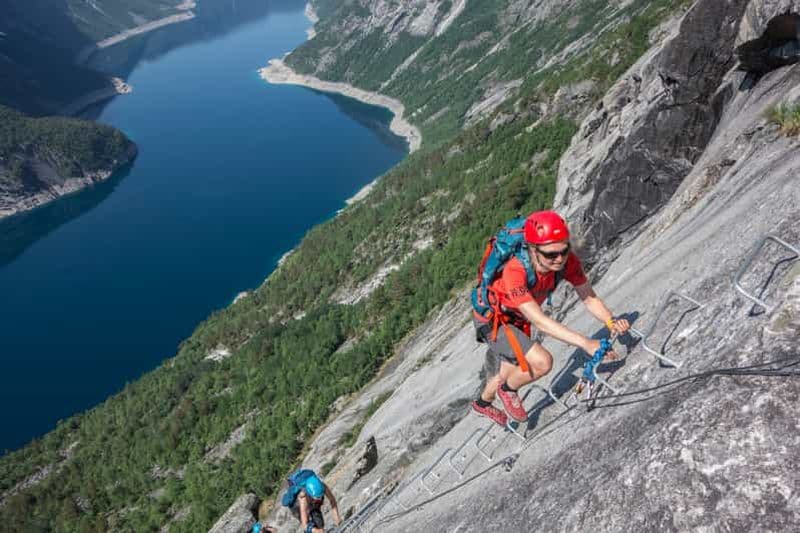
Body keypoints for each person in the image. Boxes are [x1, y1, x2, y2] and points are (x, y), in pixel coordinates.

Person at [471, 210, 630, 425]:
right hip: (494, 320)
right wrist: (585, 343)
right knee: (542, 363)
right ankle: (508, 390)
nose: (559, 259)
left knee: (509, 370)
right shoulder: (514, 272)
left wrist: (610, 321)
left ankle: (482, 403)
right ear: (532, 250)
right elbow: (539, 321)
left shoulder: (567, 262)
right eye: (550, 255)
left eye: (564, 251)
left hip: (517, 316)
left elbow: (589, 297)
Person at [281, 469, 341, 533]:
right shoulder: (303, 498)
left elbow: (332, 500)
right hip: (296, 505)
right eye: (317, 497)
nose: (320, 499)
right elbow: (305, 524)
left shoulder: (321, 486)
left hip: (311, 500)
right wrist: (316, 531)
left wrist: (336, 517)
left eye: (320, 496)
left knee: (319, 523)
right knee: (309, 526)